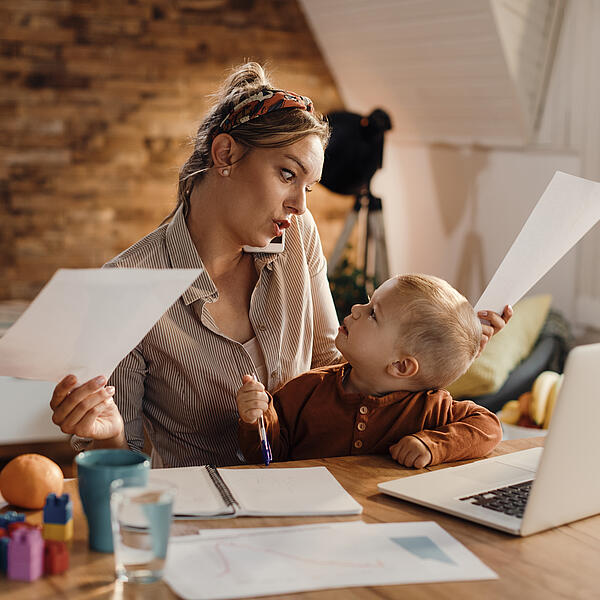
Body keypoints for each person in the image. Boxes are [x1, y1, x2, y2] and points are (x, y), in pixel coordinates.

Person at [49, 62, 511, 468]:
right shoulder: (126, 285)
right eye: (287, 174)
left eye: (308, 186)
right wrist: (102, 432)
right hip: (206, 514)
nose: (299, 205)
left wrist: (442, 349)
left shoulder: (297, 236)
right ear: (225, 154)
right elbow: (119, 455)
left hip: (318, 497)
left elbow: (337, 363)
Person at [236, 274, 503, 468]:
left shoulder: (431, 408)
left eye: (373, 313)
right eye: (367, 302)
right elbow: (266, 459)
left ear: (401, 366)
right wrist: (257, 418)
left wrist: (431, 446)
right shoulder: (304, 390)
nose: (356, 308)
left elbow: (489, 427)